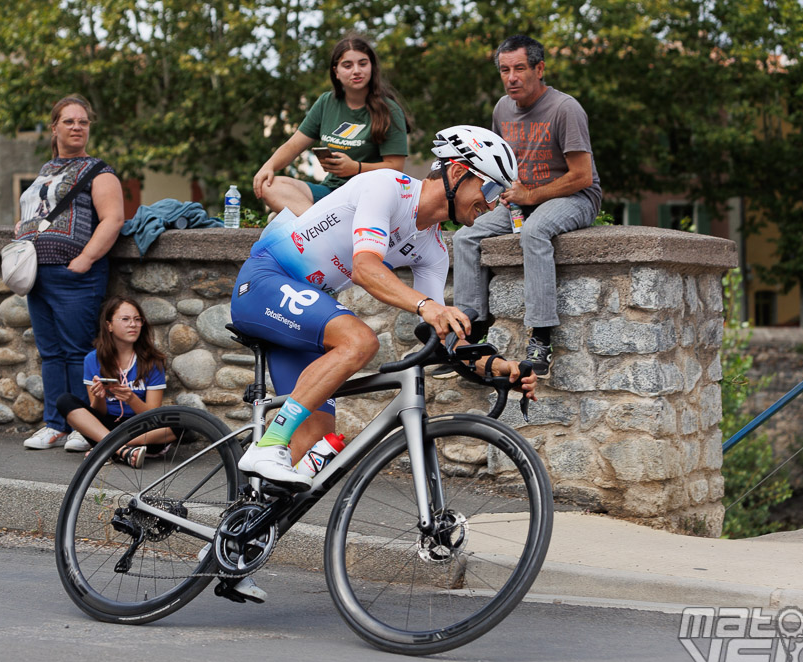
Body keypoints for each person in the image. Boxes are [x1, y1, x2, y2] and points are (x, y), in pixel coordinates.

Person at [231, 124, 537, 491]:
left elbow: (444, 339)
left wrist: (498, 366)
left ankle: (243, 531)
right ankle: (266, 445)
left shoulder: (434, 250)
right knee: (360, 341)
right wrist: (426, 306)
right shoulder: (388, 186)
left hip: (301, 311)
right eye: (489, 188)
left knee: (309, 452)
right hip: (266, 280)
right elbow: (365, 267)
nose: (491, 203)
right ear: (458, 172)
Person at [452, 34, 602, 378]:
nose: (511, 78)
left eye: (519, 68)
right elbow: (500, 165)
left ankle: (541, 338)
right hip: (522, 198)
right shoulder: (502, 109)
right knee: (465, 237)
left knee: (534, 233)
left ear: (539, 68)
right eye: (505, 70)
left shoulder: (566, 109)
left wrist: (531, 197)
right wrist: (500, 194)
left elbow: (581, 176)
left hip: (574, 197)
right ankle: (472, 333)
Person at [18, 94, 125, 451]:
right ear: (55, 127)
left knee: (80, 351)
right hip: (39, 274)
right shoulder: (46, 171)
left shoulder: (98, 171)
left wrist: (86, 258)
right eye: (69, 121)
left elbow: (113, 219)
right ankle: (55, 424)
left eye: (83, 122)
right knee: (50, 353)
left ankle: (84, 426)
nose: (77, 127)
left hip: (76, 275)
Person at [252, 34, 410, 216]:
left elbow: (396, 167)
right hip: (330, 193)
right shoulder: (326, 102)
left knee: (288, 212)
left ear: (372, 67)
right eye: (347, 65)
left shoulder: (390, 110)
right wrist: (268, 166)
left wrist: (355, 168)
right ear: (336, 71)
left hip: (368, 198)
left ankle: (314, 225)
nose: (356, 70)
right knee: (271, 186)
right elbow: (293, 145)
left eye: (363, 63)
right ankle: (321, 224)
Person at [55, 296, 169, 468]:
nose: (133, 324)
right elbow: (97, 412)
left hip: (140, 429)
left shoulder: (153, 361)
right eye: (125, 319)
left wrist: (131, 398)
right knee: (64, 401)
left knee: (182, 423)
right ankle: (123, 450)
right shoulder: (93, 359)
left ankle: (108, 448)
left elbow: (153, 416)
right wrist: (99, 396)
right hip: (105, 425)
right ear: (109, 325)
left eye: (138, 319)